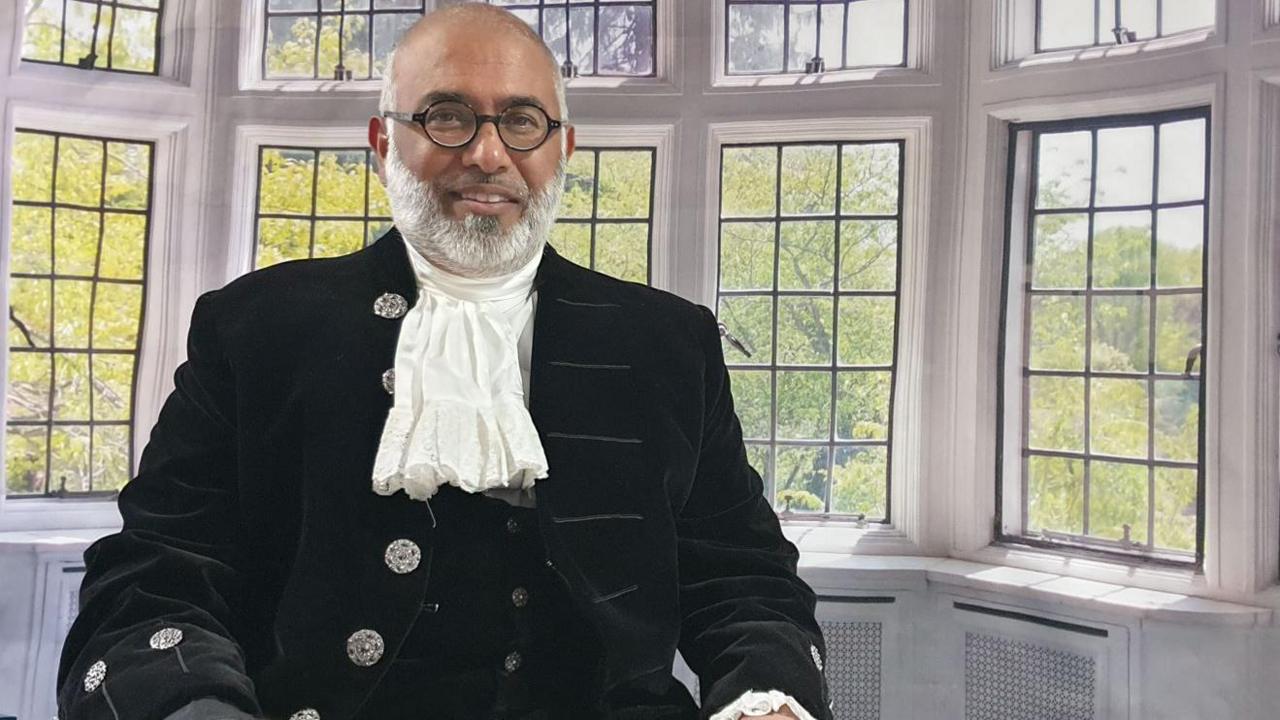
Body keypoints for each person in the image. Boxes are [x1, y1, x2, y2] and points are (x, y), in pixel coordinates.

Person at [55, 5, 830, 719]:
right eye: (447, 116)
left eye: (522, 120)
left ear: (564, 147)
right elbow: (155, 578)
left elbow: (744, 582)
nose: (489, 154)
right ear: (384, 142)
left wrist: (764, 696)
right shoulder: (257, 328)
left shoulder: (666, 343)